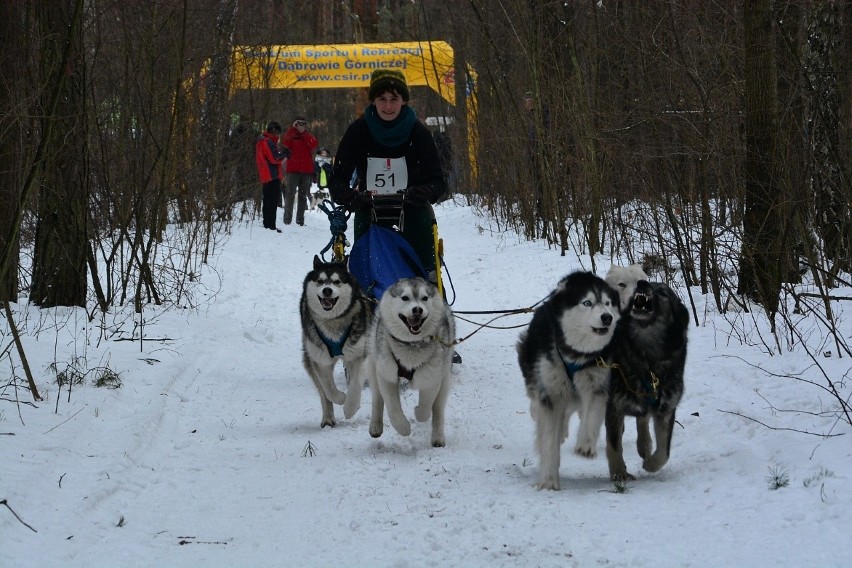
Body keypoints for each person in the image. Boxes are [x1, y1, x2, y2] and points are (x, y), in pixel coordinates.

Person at [329, 69, 447, 277]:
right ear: (373, 100)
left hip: (412, 207)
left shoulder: (419, 133)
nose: (388, 106)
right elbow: (338, 179)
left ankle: (428, 287)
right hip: (369, 207)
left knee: (424, 266)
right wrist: (348, 195)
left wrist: (424, 191)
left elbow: (438, 180)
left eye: (394, 99)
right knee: (366, 269)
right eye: (382, 99)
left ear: (404, 101)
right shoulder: (358, 131)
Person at [281, 116, 318, 226]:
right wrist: (293, 129)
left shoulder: (308, 136)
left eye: (303, 124)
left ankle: (300, 220)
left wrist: (303, 133)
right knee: (290, 194)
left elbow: (313, 144)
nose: (301, 126)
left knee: (303, 195)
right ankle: (287, 219)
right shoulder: (291, 135)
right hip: (292, 169)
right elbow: (285, 143)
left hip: (306, 170)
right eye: (299, 123)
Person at [255, 121, 288, 233]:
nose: (278, 136)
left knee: (268, 200)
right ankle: (270, 225)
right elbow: (274, 158)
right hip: (271, 175)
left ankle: (268, 224)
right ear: (273, 131)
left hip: (266, 174)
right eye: (277, 133)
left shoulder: (262, 141)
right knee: (272, 201)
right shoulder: (267, 141)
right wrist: (284, 154)